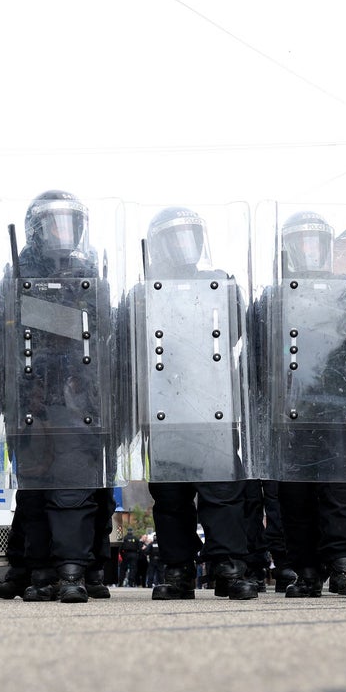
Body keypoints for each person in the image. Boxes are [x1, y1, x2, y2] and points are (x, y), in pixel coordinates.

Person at [0, 190, 117, 603]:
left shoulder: (91, 278)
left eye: (70, 222)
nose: (64, 232)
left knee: (76, 486)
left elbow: (105, 335)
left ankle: (76, 569)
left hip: (76, 400)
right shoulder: (12, 280)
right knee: (34, 489)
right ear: (36, 230)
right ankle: (36, 568)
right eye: (54, 222)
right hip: (31, 400)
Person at [132, 206, 257, 601]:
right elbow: (132, 350)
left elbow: (236, 333)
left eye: (191, 235)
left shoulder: (220, 284)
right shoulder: (144, 292)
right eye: (175, 236)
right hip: (164, 408)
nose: (185, 245)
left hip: (213, 407)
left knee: (223, 492)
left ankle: (228, 566)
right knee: (170, 498)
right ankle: (178, 569)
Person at [261, 211, 346, 599]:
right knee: (296, 495)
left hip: (342, 407)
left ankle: (343, 566)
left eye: (317, 242)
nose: (310, 250)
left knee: (342, 493)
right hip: (292, 410)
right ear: (291, 249)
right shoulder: (274, 295)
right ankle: (306, 570)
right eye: (303, 242)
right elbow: (260, 354)